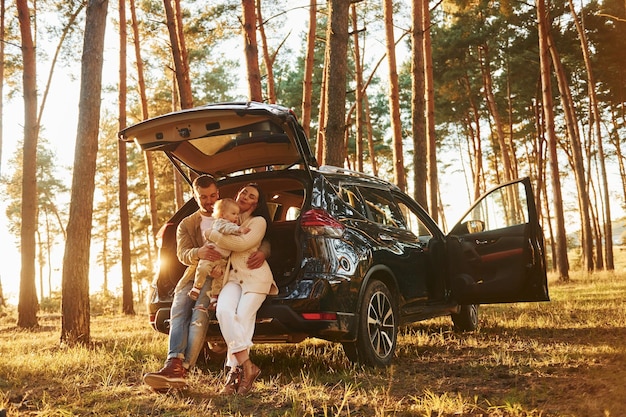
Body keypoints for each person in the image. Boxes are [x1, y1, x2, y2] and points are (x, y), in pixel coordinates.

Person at [143, 175, 268, 391]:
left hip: (218, 276)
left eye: (212, 195)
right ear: (195, 196)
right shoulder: (188, 223)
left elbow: (251, 237)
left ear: (218, 194)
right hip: (193, 274)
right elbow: (182, 253)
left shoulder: (230, 211)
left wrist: (265, 251)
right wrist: (198, 252)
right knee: (178, 312)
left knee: (199, 315)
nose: (209, 201)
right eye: (203, 197)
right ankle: (173, 363)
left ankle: (184, 368)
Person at [209, 183, 278, 396]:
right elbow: (223, 234)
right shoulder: (230, 217)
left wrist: (212, 235)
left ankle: (233, 373)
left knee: (242, 316)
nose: (245, 197)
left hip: (256, 278)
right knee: (223, 312)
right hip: (232, 277)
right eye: (243, 193)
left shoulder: (259, 221)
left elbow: (242, 244)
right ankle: (248, 366)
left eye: (251, 196)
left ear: (256, 203)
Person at [189, 198, 250, 308]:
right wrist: (239, 229)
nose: (236, 216)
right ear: (222, 215)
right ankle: (196, 287)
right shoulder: (219, 223)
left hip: (222, 260)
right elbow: (226, 228)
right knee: (203, 268)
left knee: (220, 280)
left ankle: (214, 299)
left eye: (237, 214)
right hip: (211, 254)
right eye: (233, 213)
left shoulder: (233, 226)